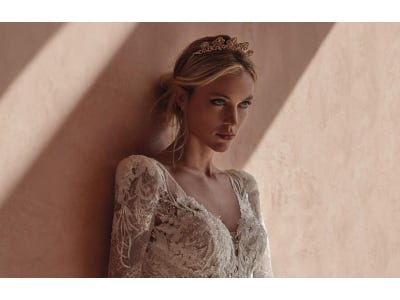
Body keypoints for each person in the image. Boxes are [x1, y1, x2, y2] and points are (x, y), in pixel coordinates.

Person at [107, 35, 273, 278]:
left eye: (244, 105)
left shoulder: (244, 187)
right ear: (184, 99)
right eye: (219, 102)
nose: (233, 120)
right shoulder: (148, 176)